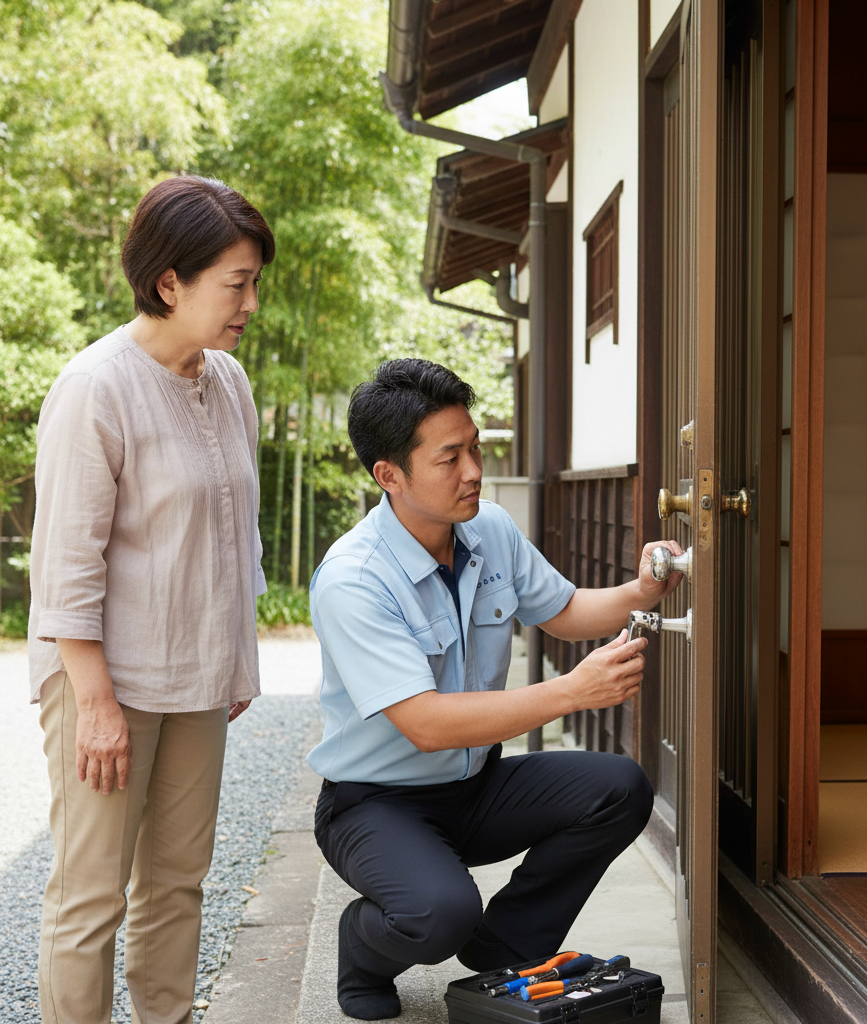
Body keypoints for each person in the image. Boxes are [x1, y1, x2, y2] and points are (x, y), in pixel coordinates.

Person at [310, 359, 685, 1021]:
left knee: (619, 788)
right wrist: (572, 692)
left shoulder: (490, 531)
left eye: (475, 447)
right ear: (388, 475)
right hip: (375, 804)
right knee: (439, 911)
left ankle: (501, 944)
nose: (474, 471)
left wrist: (643, 590)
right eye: (449, 457)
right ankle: (363, 946)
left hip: (475, 787)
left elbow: (564, 610)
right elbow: (425, 724)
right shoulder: (353, 579)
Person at [28, 175, 274, 1024]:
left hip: (198, 679)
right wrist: (93, 704)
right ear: (170, 282)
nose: (249, 303)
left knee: (177, 883)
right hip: (107, 685)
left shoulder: (231, 384)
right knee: (90, 896)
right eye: (234, 284)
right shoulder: (97, 387)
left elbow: (234, 536)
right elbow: (64, 567)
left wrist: (237, 657)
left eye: (253, 284)